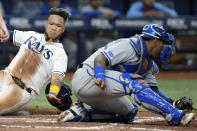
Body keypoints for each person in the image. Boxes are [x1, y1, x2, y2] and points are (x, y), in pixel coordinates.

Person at [58, 24, 195, 126]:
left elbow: (152, 92)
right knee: (133, 82)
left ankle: (81, 114)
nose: (164, 50)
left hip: (101, 91)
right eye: (163, 45)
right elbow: (100, 59)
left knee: (129, 113)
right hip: (88, 78)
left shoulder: (148, 63)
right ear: (155, 40)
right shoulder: (128, 45)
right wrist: (100, 76)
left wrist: (173, 103)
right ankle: (173, 116)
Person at [0, 8, 71, 115]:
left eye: (58, 26)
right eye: (51, 24)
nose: (54, 28)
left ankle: (11, 107)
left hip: (21, 91)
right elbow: (6, 34)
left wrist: (53, 93)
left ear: (63, 29)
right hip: (5, 76)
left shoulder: (60, 53)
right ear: (46, 24)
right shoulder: (31, 35)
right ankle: (12, 111)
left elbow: (57, 77)